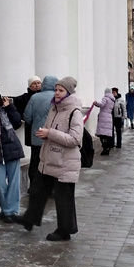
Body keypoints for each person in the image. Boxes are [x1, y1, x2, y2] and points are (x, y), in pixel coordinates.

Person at [20, 77, 83, 240]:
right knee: (37, 190)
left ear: (68, 93)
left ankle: (65, 231)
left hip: (65, 162)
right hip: (49, 159)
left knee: (64, 199)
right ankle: (30, 218)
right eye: (56, 90)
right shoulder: (54, 108)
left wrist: (50, 134)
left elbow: (75, 139)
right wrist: (44, 133)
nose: (56, 93)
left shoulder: (74, 111)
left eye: (61, 90)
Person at [0, 86, 25, 222]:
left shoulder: (7, 111)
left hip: (12, 149)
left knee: (14, 183)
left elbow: (17, 123)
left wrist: (10, 107)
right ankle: (7, 209)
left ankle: (10, 212)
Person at [23, 75, 58, 191]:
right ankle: (51, 188)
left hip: (37, 136)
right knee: (52, 162)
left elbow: (27, 116)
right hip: (53, 136)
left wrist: (35, 125)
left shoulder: (35, 97)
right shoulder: (58, 97)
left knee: (35, 161)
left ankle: (33, 186)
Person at [13, 76, 42, 147]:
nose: (37, 85)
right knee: (34, 147)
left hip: (42, 124)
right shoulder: (25, 97)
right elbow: (15, 101)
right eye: (34, 83)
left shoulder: (44, 96)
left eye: (38, 83)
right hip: (31, 125)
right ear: (30, 86)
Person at [93, 87, 115, 155]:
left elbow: (102, 104)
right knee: (107, 134)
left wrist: (96, 103)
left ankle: (105, 147)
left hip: (103, 117)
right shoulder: (112, 100)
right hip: (109, 117)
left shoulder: (105, 98)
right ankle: (108, 147)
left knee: (102, 135)